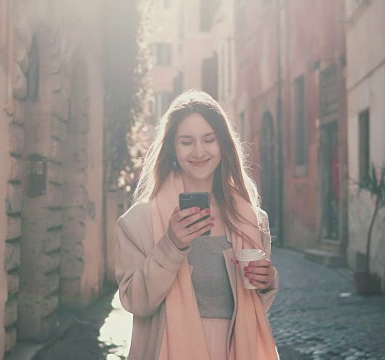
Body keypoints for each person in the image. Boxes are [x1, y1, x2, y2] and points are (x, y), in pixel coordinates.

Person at [115, 90, 279, 360]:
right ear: (172, 149)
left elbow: (254, 308)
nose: (199, 151)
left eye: (209, 139)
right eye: (187, 141)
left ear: (222, 145)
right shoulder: (139, 221)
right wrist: (171, 245)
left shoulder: (251, 219)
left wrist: (266, 282)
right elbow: (135, 301)